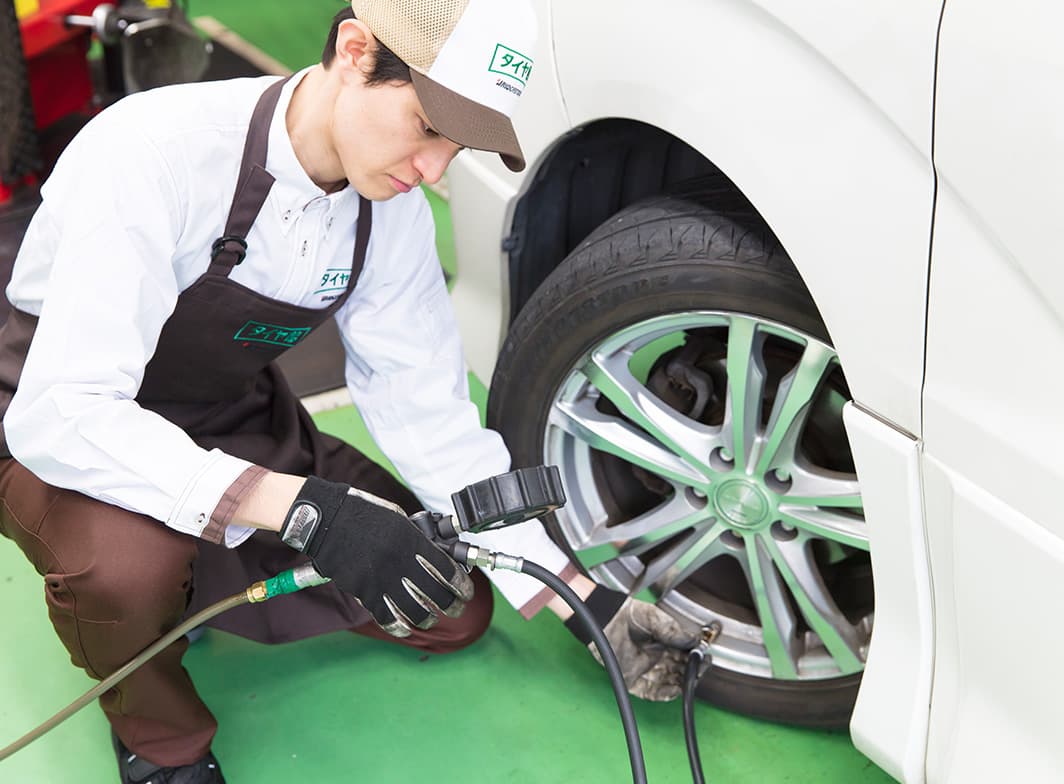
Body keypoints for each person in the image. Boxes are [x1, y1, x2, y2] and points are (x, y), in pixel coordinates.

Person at [0, 2, 700, 782]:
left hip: (230, 420)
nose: (434, 170)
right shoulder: (154, 150)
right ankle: (160, 742)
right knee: (125, 571)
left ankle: (192, 580)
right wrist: (306, 511)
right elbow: (67, 411)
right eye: (427, 126)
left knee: (450, 602)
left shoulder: (386, 212)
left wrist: (587, 605)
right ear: (356, 50)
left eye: (457, 145)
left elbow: (426, 412)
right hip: (56, 418)